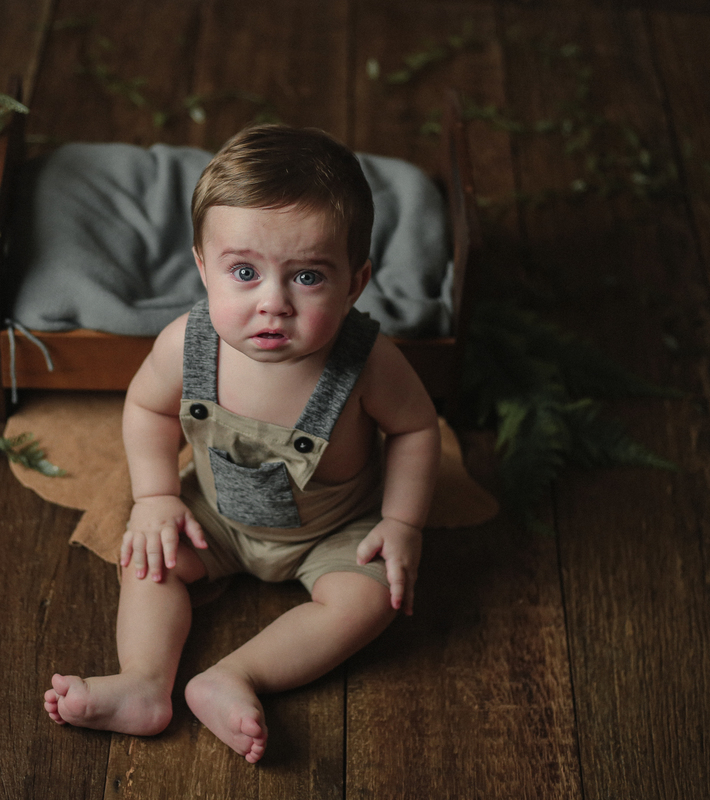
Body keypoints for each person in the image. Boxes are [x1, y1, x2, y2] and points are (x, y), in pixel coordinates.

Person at [44, 124, 441, 764]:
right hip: (216, 519)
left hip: (335, 529)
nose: (272, 303)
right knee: (149, 558)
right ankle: (144, 682)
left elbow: (416, 430)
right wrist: (155, 496)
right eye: (245, 272)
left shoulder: (369, 363)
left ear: (355, 282)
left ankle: (237, 675)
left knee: (371, 599)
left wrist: (401, 523)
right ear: (204, 268)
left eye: (307, 276)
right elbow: (147, 407)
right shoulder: (186, 343)